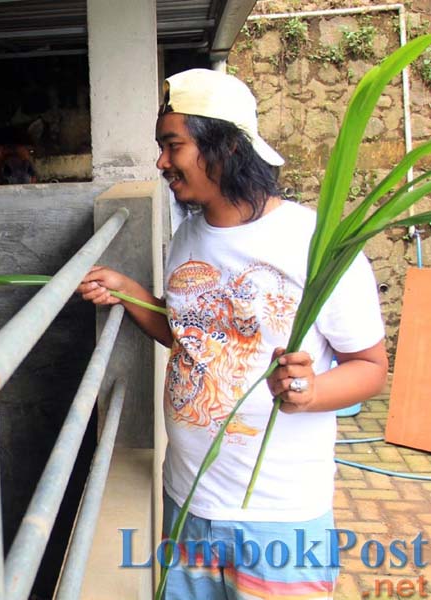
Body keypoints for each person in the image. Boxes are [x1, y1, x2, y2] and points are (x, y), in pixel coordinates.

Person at [77, 69, 388, 599]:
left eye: (172, 145)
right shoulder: (187, 238)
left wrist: (312, 391)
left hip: (278, 517)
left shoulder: (315, 243)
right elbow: (188, 336)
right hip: (187, 500)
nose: (161, 162)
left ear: (226, 146)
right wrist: (130, 293)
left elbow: (371, 368)